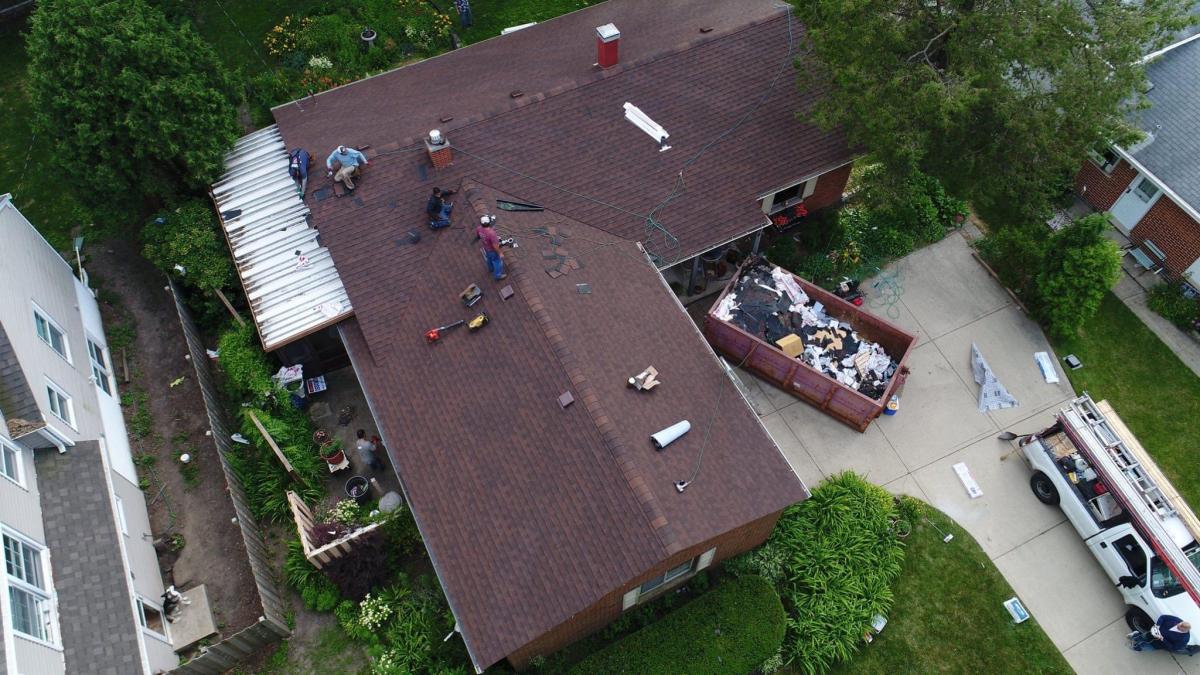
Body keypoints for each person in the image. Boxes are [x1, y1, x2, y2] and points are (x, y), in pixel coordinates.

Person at [476, 214, 506, 280]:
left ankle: (491, 269)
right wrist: (500, 253)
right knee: (497, 262)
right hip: (492, 250)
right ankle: (498, 276)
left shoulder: (479, 228)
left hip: (486, 248)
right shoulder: (491, 233)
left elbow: (478, 236)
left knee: (489, 259)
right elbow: (495, 246)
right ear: (489, 223)